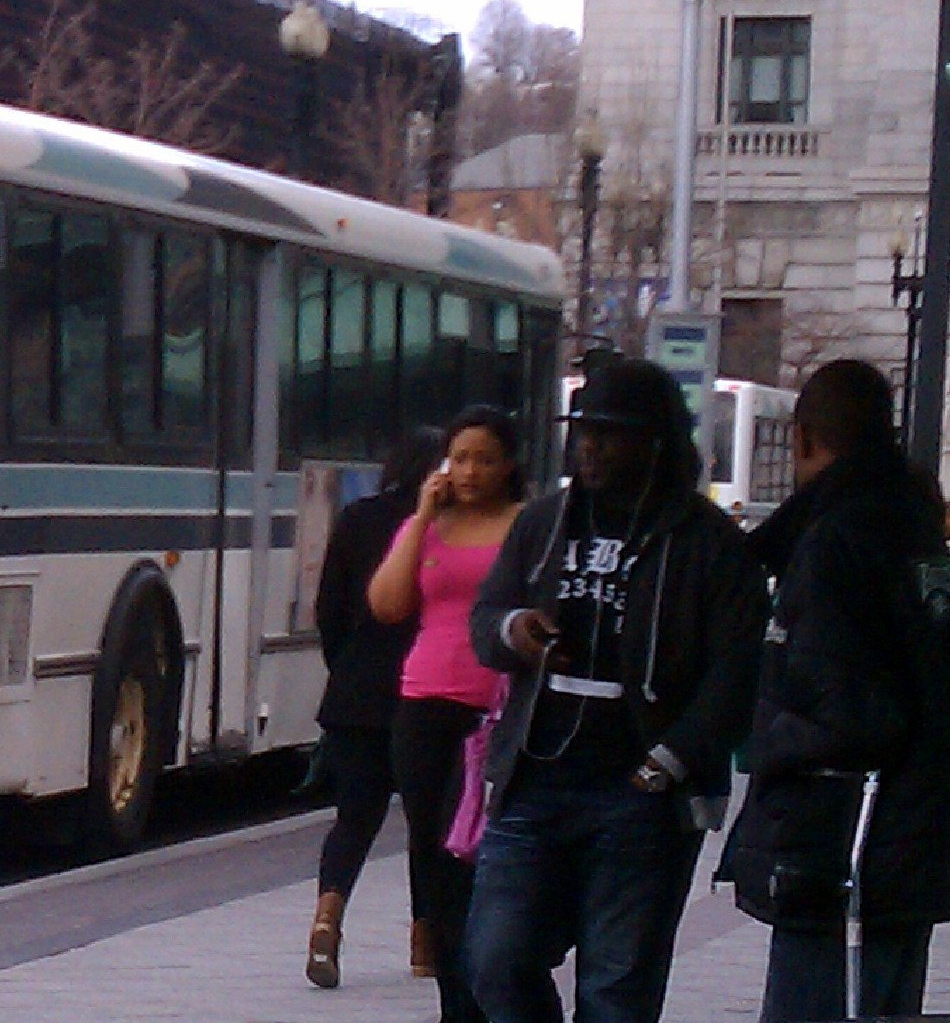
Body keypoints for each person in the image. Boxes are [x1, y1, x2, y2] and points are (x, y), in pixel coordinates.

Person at [465, 359, 769, 1023]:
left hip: (640, 792)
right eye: (583, 432)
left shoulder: (708, 543)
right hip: (536, 778)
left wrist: (669, 763)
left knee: (615, 990)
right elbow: (486, 618)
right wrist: (517, 631)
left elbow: (735, 670)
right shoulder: (544, 523)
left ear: (655, 443)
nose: (590, 448)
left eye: (609, 434)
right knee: (492, 957)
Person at [718, 360, 950, 1023]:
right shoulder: (916, 524)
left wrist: (768, 739)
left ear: (806, 441)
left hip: (839, 840)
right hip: (912, 834)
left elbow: (848, 711)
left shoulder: (831, 543)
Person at [366, 406, 527, 1023]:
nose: (468, 471)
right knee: (434, 858)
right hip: (425, 705)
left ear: (509, 464)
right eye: (458, 458)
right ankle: (454, 1003)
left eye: (484, 458)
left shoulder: (527, 525)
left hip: (496, 713)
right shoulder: (429, 526)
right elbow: (386, 604)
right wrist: (421, 517)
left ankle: (487, 995)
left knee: (484, 862)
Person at [306, 425, 450, 990]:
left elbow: (329, 611)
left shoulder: (357, 518)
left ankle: (326, 919)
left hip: (356, 697)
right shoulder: (445, 526)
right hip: (425, 696)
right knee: (428, 825)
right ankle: (424, 945)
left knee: (354, 817)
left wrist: (346, 670)